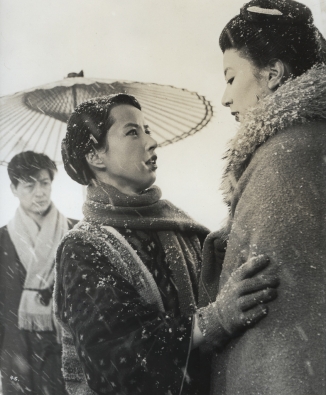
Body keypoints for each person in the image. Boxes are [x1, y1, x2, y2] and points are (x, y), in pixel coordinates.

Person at [54, 93, 279, 395]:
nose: (151, 141)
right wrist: (215, 320)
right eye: (133, 132)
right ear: (95, 156)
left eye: (147, 129)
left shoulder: (180, 226)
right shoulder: (83, 247)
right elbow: (117, 360)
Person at [200, 0, 326, 395]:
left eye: (231, 77)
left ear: (272, 74)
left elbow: (284, 333)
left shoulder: (287, 158)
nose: (224, 98)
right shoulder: (306, 145)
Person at [0, 151, 77, 395]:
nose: (40, 192)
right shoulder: (2, 239)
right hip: (17, 349)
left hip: (67, 343)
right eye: (29, 185)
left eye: (44, 183)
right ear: (13, 188)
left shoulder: (77, 233)